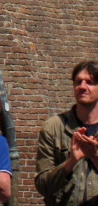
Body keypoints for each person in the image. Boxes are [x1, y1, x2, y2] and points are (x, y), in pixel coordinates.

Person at [35, 60, 98, 206]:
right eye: (78, 82)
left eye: (90, 82)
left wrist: (95, 156)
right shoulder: (54, 126)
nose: (82, 87)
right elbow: (42, 185)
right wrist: (71, 161)